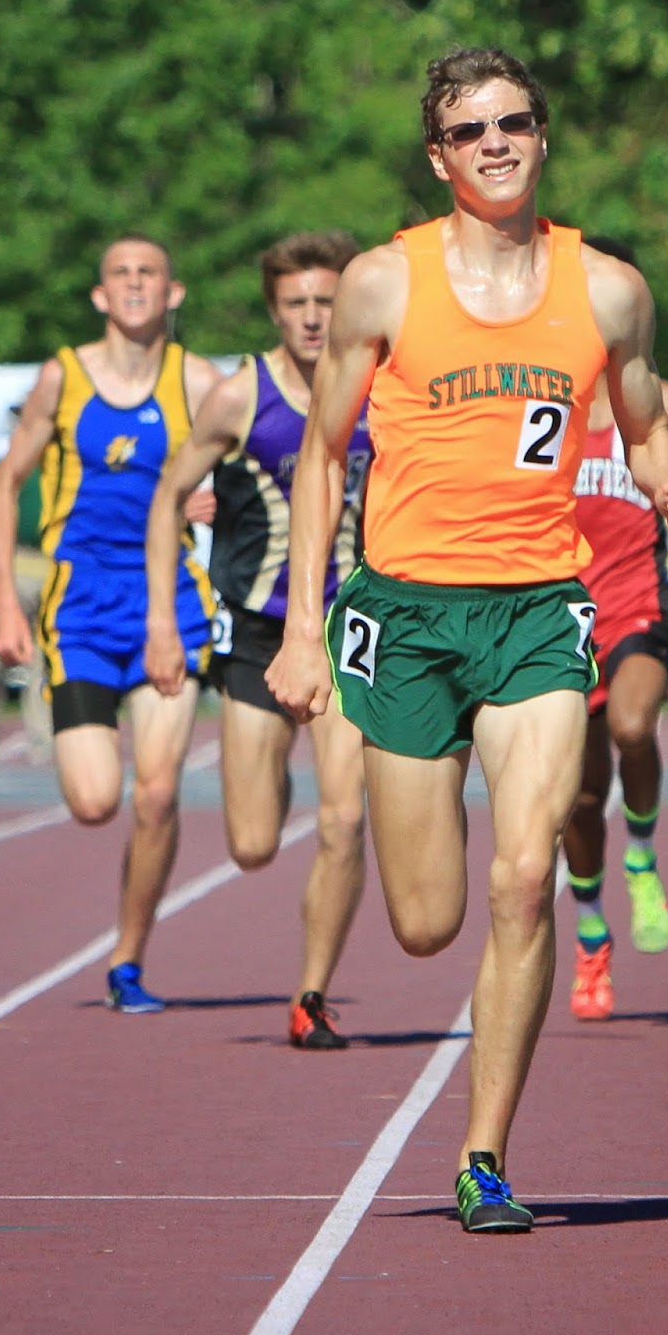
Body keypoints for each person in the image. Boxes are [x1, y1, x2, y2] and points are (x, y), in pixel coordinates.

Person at [265, 47, 668, 1232]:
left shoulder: (607, 289)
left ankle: (483, 1159)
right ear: (438, 156)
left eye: (515, 122)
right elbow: (321, 454)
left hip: (537, 611)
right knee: (425, 923)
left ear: (543, 136)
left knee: (525, 879)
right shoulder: (382, 284)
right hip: (405, 617)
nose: (496, 143)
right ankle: (435, 842)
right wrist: (305, 630)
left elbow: (648, 421)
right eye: (471, 131)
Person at [144, 230, 370, 1051]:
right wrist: (164, 619)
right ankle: (269, 785)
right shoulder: (242, 395)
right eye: (296, 304)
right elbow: (170, 493)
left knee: (345, 819)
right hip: (258, 633)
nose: (313, 319)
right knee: (251, 844)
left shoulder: (387, 385)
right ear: (274, 310)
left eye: (325, 301)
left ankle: (311, 995)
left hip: (354, 626)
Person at [0, 235, 223, 1013]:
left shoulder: (197, 380)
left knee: (156, 797)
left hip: (172, 601)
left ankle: (127, 959)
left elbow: (261, 469)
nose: (132, 285)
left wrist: (217, 500)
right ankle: (124, 941)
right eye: (119, 274)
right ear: (99, 295)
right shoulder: (65, 375)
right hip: (81, 604)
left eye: (147, 273)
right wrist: (1, 603)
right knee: (95, 803)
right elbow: (1, 486)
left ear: (172, 291)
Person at [560, 235, 668, 1021]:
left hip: (640, 598)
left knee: (631, 725)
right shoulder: (541, 404)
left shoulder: (667, 402)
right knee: (579, 799)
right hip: (557, 617)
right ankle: (591, 937)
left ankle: (645, 859)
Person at [0, 402, 53, 762]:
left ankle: (43, 736)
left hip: (49, 562)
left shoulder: (56, 458)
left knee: (45, 658)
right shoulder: (1, 458)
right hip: (15, 559)